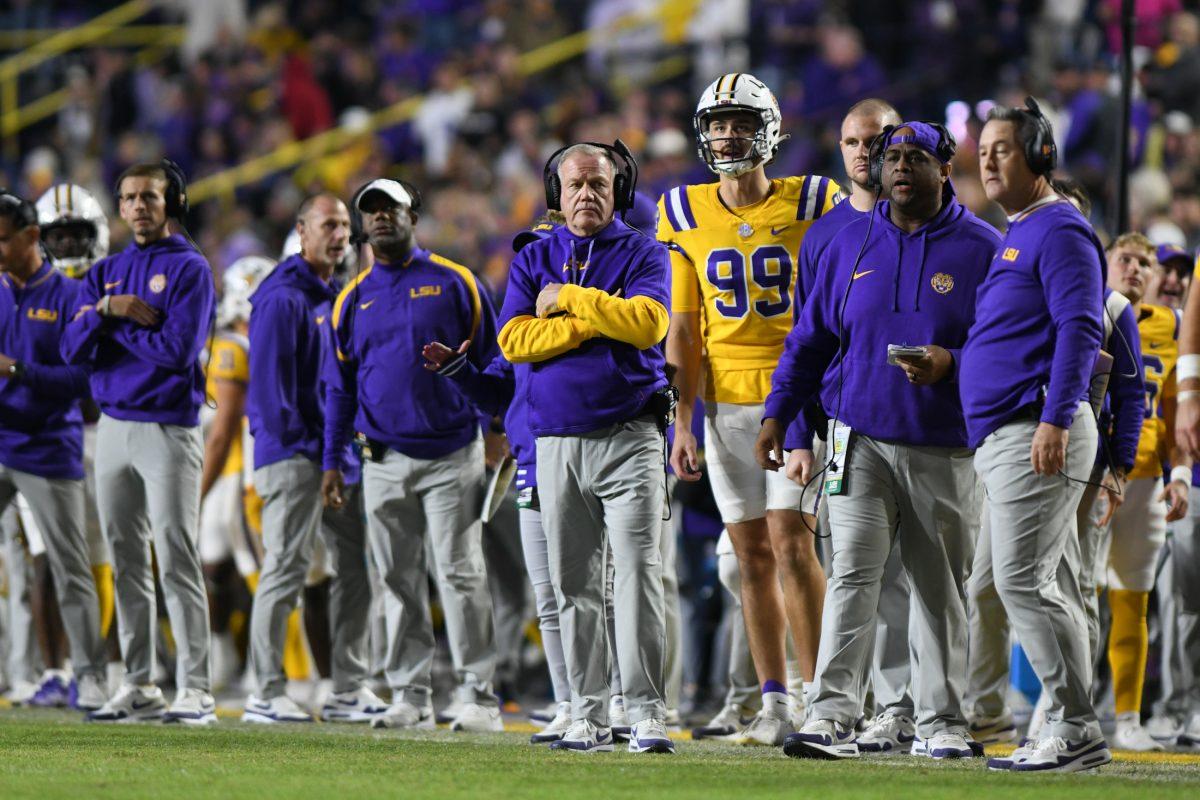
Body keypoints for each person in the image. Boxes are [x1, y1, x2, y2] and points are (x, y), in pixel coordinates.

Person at [757, 122, 999, 761]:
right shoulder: (846, 241)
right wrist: (779, 412)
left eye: (915, 158)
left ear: (945, 169)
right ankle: (831, 716)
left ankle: (941, 720)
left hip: (943, 444)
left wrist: (952, 364)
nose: (898, 168)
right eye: (891, 156)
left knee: (938, 586)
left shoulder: (982, 248)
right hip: (856, 439)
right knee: (851, 577)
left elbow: (1007, 351)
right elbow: (810, 337)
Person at [661, 72, 833, 746]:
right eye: (716, 122)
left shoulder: (816, 200)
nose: (727, 133)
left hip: (794, 398)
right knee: (749, 556)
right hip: (726, 405)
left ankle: (824, 695)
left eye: (739, 121)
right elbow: (683, 326)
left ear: (769, 129)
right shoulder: (681, 209)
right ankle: (774, 700)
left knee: (794, 544)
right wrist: (683, 420)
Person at [497, 142, 674, 754]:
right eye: (575, 185)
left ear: (618, 191)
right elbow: (516, 340)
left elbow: (649, 325)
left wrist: (569, 302)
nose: (586, 195)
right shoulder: (533, 256)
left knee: (637, 579)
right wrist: (600, 321)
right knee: (573, 587)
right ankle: (588, 713)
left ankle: (646, 711)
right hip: (556, 443)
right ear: (556, 193)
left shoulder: (647, 252)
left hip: (631, 438)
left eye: (598, 184)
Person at [965, 179, 1145, 747]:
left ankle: (1067, 714)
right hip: (1026, 441)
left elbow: (1131, 392)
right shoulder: (1023, 282)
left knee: (1062, 583)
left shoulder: (1108, 302)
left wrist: (1118, 466)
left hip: (1069, 448)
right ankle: (995, 707)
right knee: (997, 582)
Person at [960, 100, 1110, 773]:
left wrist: (1055, 417)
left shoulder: (1060, 230)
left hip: (1035, 429)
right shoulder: (1021, 230)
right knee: (994, 582)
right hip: (1007, 434)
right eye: (983, 149)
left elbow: (1083, 328)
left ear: (1041, 156)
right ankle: (1056, 716)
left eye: (1003, 149)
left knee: (1026, 580)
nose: (987, 160)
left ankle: (1076, 726)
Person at [323, 178, 502, 733]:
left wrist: (497, 428)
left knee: (460, 573)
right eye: (371, 211)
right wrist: (333, 460)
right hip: (381, 457)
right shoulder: (352, 298)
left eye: (390, 208)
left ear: (412, 215)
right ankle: (410, 692)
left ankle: (478, 695)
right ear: (362, 224)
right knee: (396, 579)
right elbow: (339, 387)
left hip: (453, 453)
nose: (380, 218)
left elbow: (498, 361)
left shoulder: (455, 281)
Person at [60, 161, 217, 724]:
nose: (138, 207)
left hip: (169, 429)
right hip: (114, 428)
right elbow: (70, 348)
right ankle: (140, 681)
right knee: (127, 559)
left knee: (176, 555)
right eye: (128, 198)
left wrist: (112, 326)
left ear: (171, 200)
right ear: (120, 208)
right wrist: (110, 309)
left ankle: (197, 686)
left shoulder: (191, 268)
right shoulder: (109, 273)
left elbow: (177, 352)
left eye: (149, 196)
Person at [422, 217, 574, 744]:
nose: (536, 265)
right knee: (551, 596)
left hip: (589, 457)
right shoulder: (518, 328)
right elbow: (496, 393)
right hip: (532, 463)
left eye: (546, 252)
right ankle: (571, 702)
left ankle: (623, 700)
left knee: (597, 589)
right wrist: (459, 372)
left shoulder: (593, 309)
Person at [242, 194, 382, 724]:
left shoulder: (330, 292)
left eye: (346, 225)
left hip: (331, 456)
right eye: (329, 225)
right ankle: (267, 689)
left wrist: (335, 455)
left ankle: (348, 685)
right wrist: (318, 456)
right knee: (285, 568)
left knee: (354, 568)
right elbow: (274, 399)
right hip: (296, 455)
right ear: (302, 232)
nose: (340, 234)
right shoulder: (282, 297)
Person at [0, 190, 108, 711]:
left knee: (69, 566)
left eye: (2, 240)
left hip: (47, 446)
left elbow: (84, 380)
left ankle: (88, 675)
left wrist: (18, 371)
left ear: (28, 237)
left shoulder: (68, 297)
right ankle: (36, 670)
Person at [1098, 233, 1191, 751]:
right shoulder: (1088, 310)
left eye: (1145, 263)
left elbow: (1178, 410)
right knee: (1075, 597)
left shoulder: (1172, 326)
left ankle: (1128, 717)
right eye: (1126, 260)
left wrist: (1178, 473)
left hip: (1146, 480)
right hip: (1093, 474)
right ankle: (1055, 708)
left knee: (1132, 599)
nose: (1136, 269)